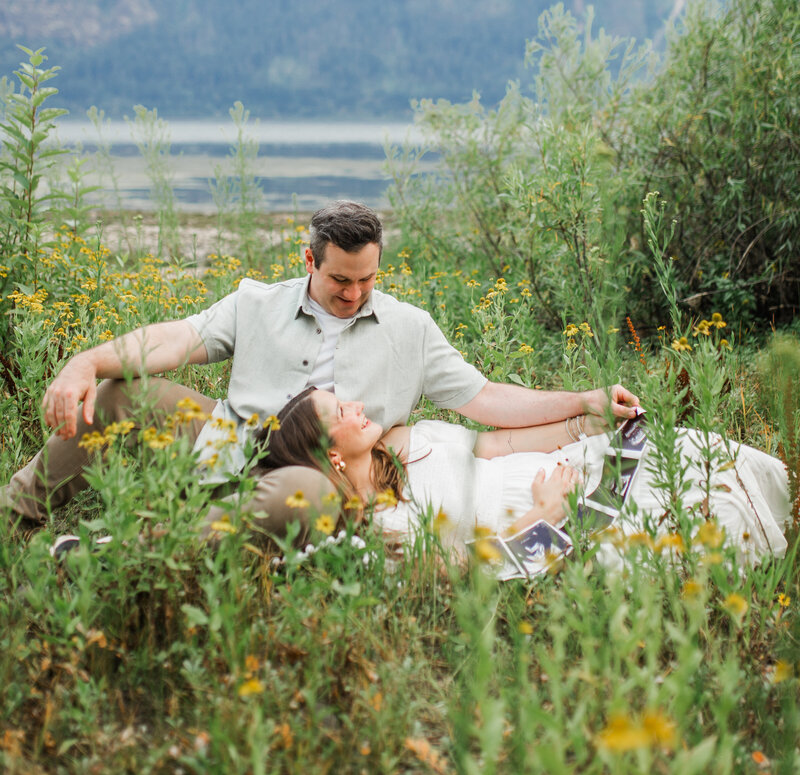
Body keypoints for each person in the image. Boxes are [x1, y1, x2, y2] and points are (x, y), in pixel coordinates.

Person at [1, 200, 638, 543]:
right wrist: (85, 362)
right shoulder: (256, 301)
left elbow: (487, 400)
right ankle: (15, 515)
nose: (355, 293)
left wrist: (583, 400)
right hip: (233, 439)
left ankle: (154, 543)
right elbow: (176, 340)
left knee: (299, 497)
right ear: (308, 258)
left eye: (367, 279)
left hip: (324, 470)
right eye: (339, 279)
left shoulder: (411, 329)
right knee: (121, 392)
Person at [253, 387, 792, 566]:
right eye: (339, 412)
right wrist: (546, 512)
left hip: (566, 469)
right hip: (550, 525)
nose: (355, 405)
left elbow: (494, 445)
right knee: (709, 525)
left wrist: (583, 423)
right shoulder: (378, 526)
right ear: (331, 456)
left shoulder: (401, 442)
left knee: (704, 453)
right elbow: (471, 569)